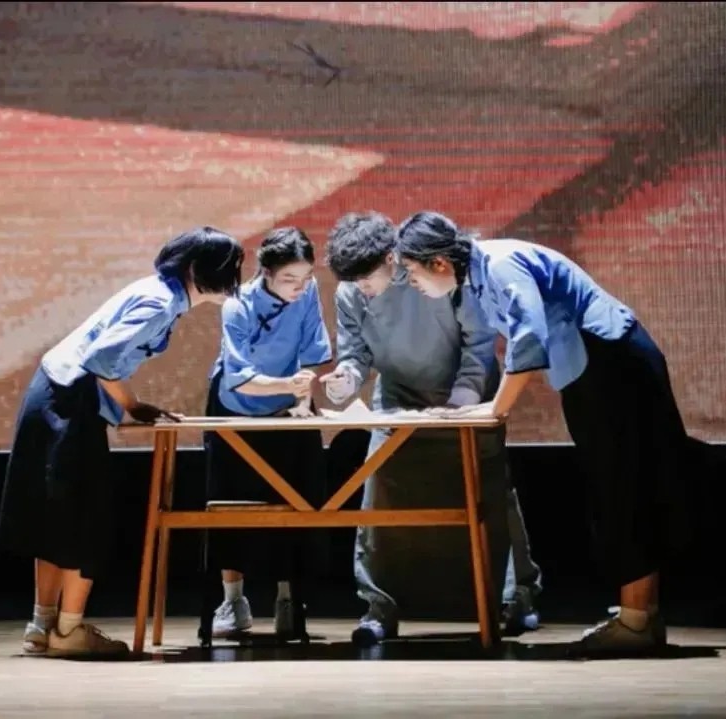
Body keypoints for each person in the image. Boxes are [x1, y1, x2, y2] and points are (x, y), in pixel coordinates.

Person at [395, 210, 691, 654]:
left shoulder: (498, 264)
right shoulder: (479, 276)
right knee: (615, 484)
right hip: (594, 368)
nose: (412, 282)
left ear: (438, 262)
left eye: (412, 271)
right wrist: (487, 406)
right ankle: (640, 613)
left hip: (611, 363)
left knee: (623, 485)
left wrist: (495, 409)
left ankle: (637, 620)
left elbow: (529, 337)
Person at [0, 227, 244, 658]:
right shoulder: (161, 301)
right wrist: (133, 405)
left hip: (53, 393)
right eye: (228, 266)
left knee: (57, 516)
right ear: (196, 268)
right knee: (84, 518)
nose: (234, 276)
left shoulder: (158, 292)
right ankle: (68, 630)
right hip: (68, 401)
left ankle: (42, 626)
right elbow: (102, 359)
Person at [318, 212, 543, 647]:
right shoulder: (351, 293)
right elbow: (355, 352)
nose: (361, 288)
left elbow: (479, 342)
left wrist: (461, 401)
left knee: (491, 491)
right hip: (397, 400)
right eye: (353, 282)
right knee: (378, 497)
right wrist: (347, 377)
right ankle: (378, 607)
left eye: (366, 278)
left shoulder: (429, 273)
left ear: (392, 259)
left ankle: (516, 598)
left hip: (466, 394)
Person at [205, 227, 333, 639]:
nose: (299, 287)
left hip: (289, 405)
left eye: (305, 277)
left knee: (295, 500)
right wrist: (287, 385)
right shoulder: (236, 305)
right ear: (265, 273)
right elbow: (238, 377)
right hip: (236, 407)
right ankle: (233, 602)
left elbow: (312, 352)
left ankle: (288, 600)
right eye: (289, 279)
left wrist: (301, 399)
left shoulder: (307, 294)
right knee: (230, 504)